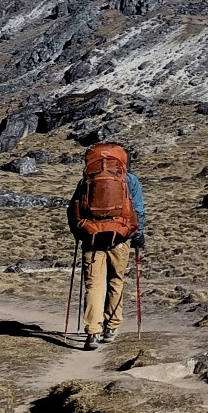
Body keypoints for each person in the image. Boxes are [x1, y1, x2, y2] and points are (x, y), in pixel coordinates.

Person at [67, 141, 146, 351]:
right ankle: (111, 327)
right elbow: (138, 210)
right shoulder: (130, 180)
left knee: (93, 285)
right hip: (119, 237)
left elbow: (74, 208)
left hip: (92, 239)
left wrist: (79, 233)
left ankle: (93, 332)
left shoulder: (87, 180)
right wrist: (139, 234)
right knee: (116, 281)